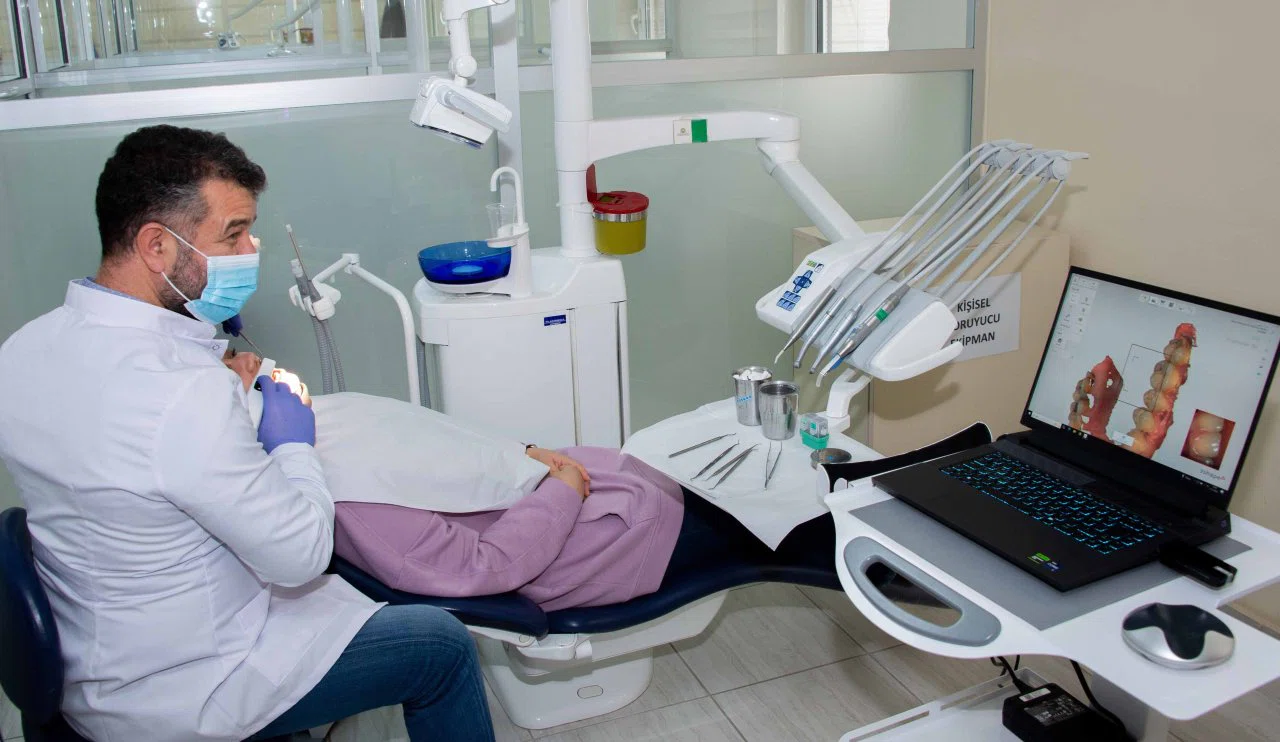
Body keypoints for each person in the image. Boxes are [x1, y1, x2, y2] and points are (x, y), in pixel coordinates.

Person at [0, 125, 494, 742]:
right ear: (156, 245)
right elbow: (300, 558)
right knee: (439, 646)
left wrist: (220, 395)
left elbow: (123, 443)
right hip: (186, 684)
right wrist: (291, 443)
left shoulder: (26, 349)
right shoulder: (182, 393)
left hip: (93, 655)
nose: (249, 249)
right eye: (232, 234)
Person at [222, 352, 687, 611]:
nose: (246, 356)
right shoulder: (354, 500)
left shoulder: (324, 419)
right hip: (607, 541)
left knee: (701, 473)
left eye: (227, 349)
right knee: (725, 510)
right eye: (228, 366)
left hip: (582, 490)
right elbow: (482, 566)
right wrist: (562, 488)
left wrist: (525, 451)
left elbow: (440, 448)